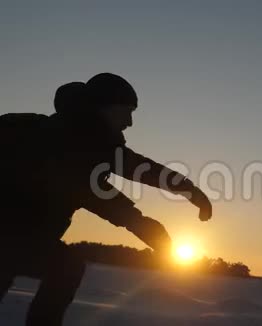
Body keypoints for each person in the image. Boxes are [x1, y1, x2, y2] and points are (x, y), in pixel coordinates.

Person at [0, 73, 212, 325]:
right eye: (127, 111)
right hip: (11, 234)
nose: (131, 122)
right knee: (65, 267)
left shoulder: (90, 143)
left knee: (62, 267)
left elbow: (134, 171)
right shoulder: (60, 138)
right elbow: (94, 193)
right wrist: (144, 225)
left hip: (22, 238)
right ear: (104, 108)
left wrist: (188, 190)